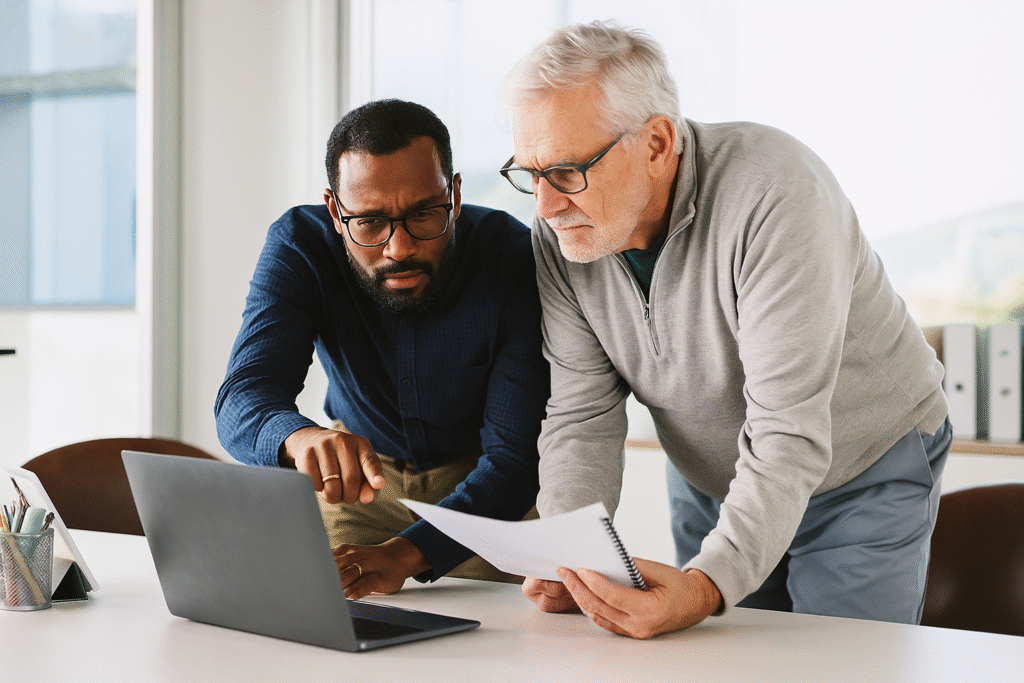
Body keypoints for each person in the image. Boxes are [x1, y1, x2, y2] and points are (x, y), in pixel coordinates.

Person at [500, 21, 951, 639]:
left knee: (840, 666)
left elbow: (786, 430)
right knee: (722, 666)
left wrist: (707, 585)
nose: (547, 207)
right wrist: (572, 552)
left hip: (859, 466)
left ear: (657, 142)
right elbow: (582, 414)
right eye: (531, 172)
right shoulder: (563, 237)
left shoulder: (774, 194)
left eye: (569, 171)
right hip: (712, 474)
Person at [215, 99, 548, 600]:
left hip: (489, 497)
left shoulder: (512, 257)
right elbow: (243, 396)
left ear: (454, 195)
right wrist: (299, 439)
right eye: (369, 223)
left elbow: (515, 461)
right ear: (335, 210)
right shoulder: (300, 246)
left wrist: (406, 553)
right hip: (359, 489)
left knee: (508, 649)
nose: (399, 248)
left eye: (424, 214)